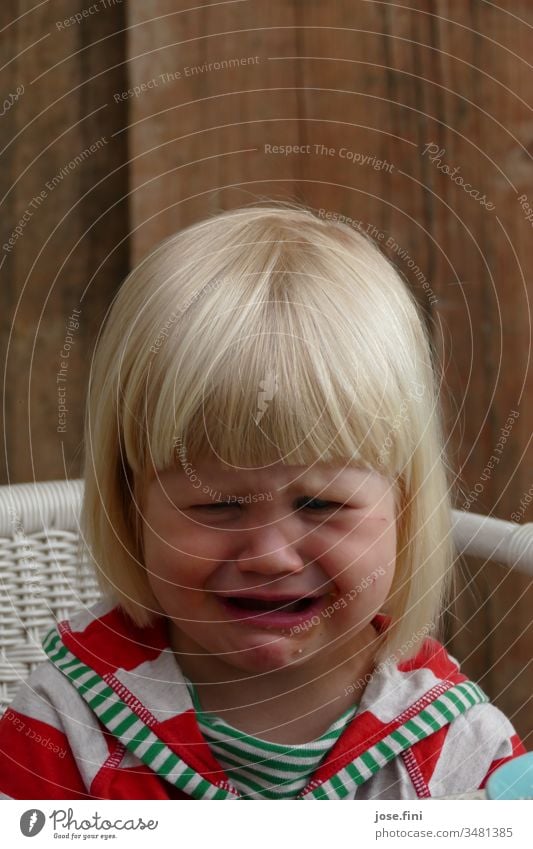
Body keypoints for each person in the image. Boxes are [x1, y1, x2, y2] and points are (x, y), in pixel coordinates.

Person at [0, 201, 525, 800]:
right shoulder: (67, 723)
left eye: (322, 504)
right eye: (216, 506)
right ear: (131, 509)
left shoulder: (459, 749)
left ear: (406, 508)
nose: (272, 556)